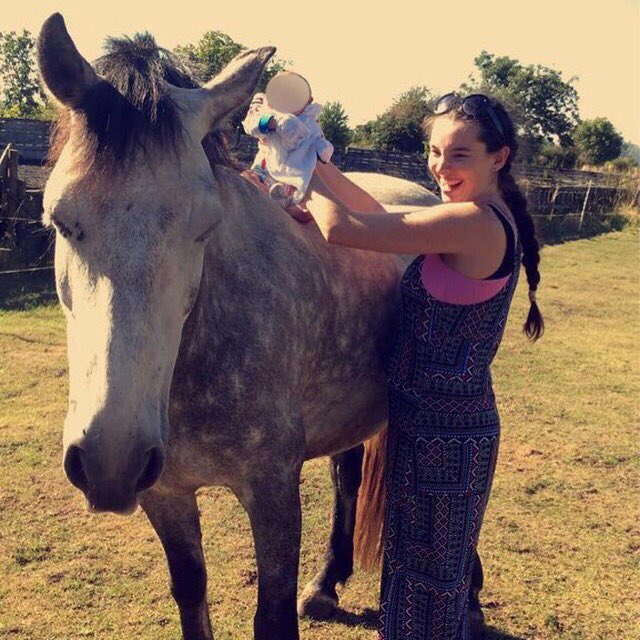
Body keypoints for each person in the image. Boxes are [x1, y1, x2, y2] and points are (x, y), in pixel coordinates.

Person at [303, 93, 544, 639]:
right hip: (430, 425)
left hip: (446, 436)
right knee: (415, 584)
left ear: (497, 158)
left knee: (427, 595)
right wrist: (320, 166)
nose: (440, 166)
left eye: (459, 155)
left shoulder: (473, 222)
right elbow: (381, 212)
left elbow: (346, 228)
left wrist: (299, 171)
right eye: (434, 151)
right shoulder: (465, 216)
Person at [241, 72, 334, 211]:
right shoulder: (267, 112)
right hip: (267, 162)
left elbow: (316, 136)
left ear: (308, 101)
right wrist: (271, 123)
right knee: (252, 179)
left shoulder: (309, 119)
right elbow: (250, 125)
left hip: (294, 168)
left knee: (293, 185)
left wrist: (322, 147)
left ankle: (288, 203)